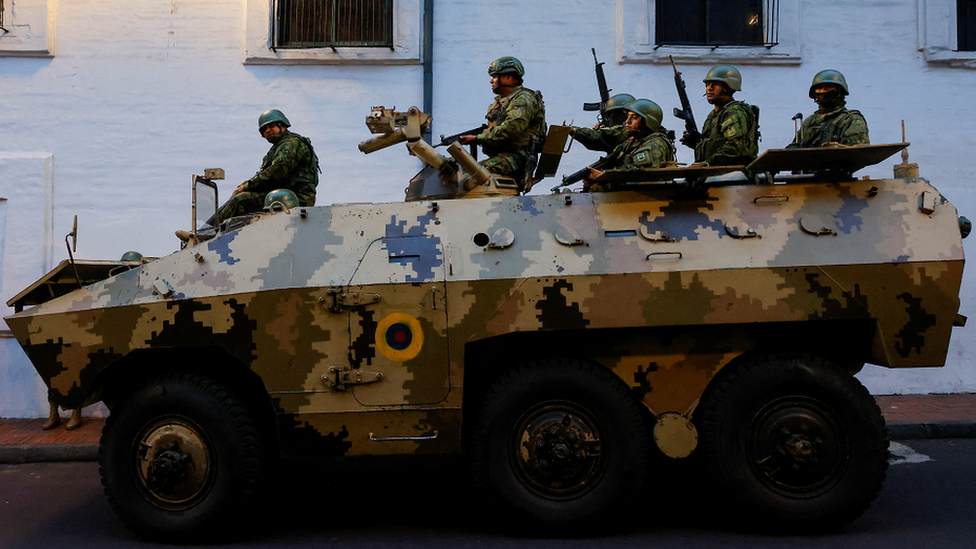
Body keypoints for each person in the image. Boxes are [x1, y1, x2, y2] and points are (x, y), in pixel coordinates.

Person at [176, 109, 319, 242]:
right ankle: (205, 232)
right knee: (240, 199)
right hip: (280, 195)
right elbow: (267, 175)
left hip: (295, 198)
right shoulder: (278, 148)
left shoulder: (291, 143)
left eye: (271, 126)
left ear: (283, 125)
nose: (268, 131)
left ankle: (205, 236)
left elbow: (276, 173)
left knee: (241, 200)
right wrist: (246, 185)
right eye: (264, 129)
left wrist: (247, 186)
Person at [457, 56, 546, 191]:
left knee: (473, 173)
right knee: (458, 170)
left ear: (508, 78)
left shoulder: (523, 99)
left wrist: (477, 138)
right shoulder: (500, 102)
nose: (491, 80)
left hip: (517, 159)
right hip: (503, 158)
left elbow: (511, 129)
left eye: (495, 76)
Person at [583, 99, 676, 192]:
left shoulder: (655, 144)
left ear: (648, 121)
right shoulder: (631, 141)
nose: (627, 121)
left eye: (634, 117)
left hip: (644, 198)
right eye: (628, 116)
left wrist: (602, 176)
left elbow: (636, 175)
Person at [680, 65, 759, 167]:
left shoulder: (734, 112)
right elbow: (716, 144)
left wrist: (708, 163)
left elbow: (736, 147)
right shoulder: (714, 115)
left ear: (728, 87)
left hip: (732, 173)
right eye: (708, 84)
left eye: (715, 84)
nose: (709, 88)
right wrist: (697, 142)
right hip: (715, 172)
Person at [788, 69, 869, 148]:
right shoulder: (810, 121)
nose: (823, 91)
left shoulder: (851, 119)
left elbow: (859, 151)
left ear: (839, 90)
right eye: (819, 88)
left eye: (828, 87)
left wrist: (836, 148)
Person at [570, 93, 636, 153]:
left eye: (613, 115)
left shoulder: (626, 131)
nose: (612, 119)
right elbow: (594, 143)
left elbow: (596, 138)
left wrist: (573, 130)